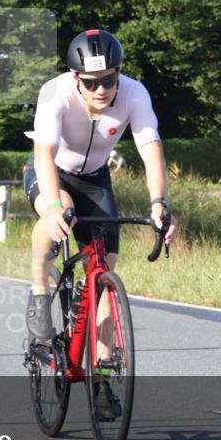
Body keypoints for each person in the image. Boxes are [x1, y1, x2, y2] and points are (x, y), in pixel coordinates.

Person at [24, 29, 179, 346]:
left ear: (118, 73)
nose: (100, 90)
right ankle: (40, 289)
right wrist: (53, 208)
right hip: (52, 172)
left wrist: (159, 204)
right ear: (75, 76)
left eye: (107, 80)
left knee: (105, 271)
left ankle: (106, 372)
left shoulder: (134, 95)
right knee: (61, 211)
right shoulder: (55, 92)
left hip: (95, 179)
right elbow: (44, 154)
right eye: (90, 82)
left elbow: (151, 151)